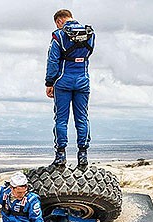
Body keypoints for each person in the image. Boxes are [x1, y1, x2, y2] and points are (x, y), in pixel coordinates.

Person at [45, 9, 95, 169]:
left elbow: (53, 61)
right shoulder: (90, 34)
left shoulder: (58, 36)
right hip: (83, 80)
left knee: (61, 119)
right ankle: (83, 155)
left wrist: (49, 83)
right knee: (82, 118)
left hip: (63, 81)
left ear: (59, 21)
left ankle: (61, 156)